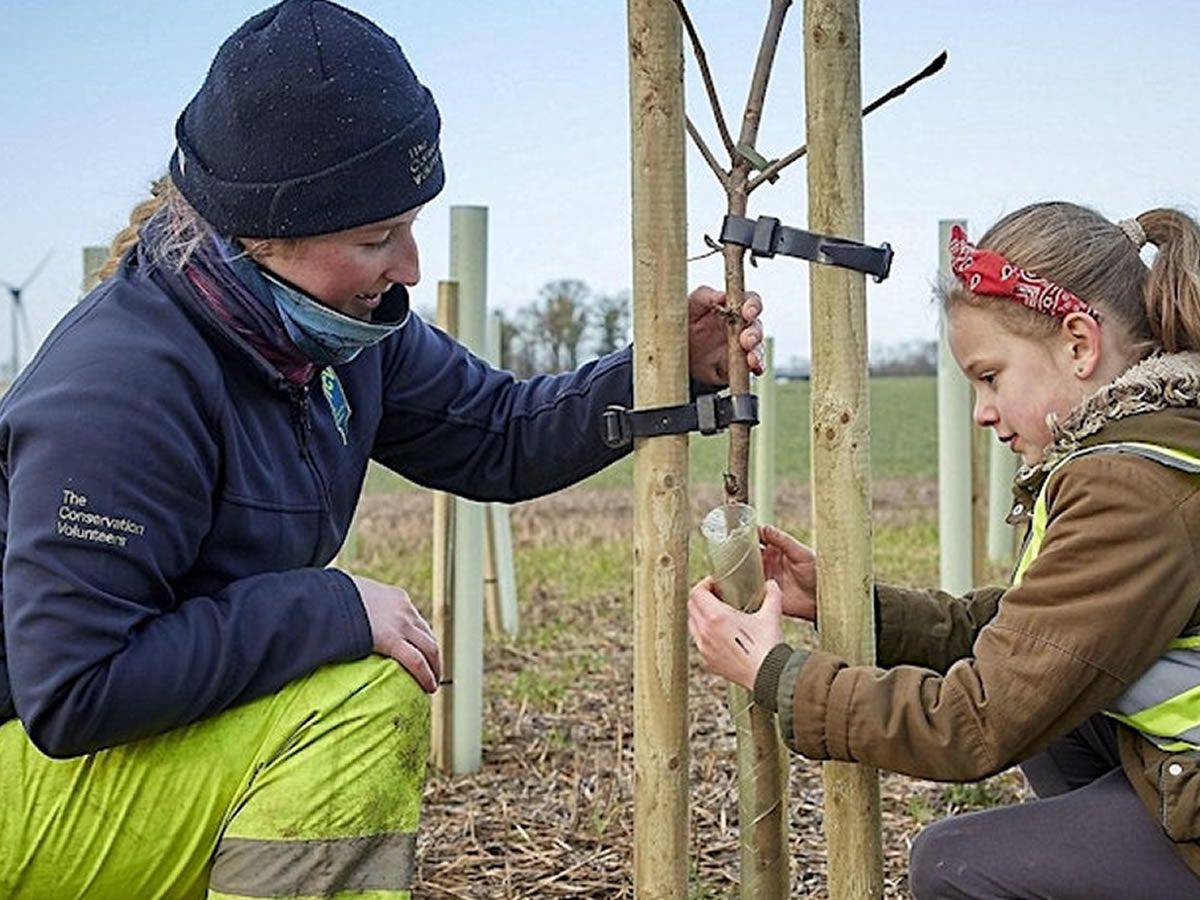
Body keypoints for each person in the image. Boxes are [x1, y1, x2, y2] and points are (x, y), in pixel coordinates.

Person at [0, 2, 764, 898]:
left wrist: (660, 369)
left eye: (408, 224)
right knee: (361, 701)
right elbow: (76, 687)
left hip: (134, 750)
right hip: (34, 765)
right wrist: (328, 607)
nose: (407, 264)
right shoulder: (124, 387)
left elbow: (501, 435)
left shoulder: (333, 335)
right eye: (374, 239)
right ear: (263, 237)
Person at [689, 200, 1200, 898]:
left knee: (955, 865)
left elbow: (975, 720)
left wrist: (774, 673)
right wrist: (853, 606)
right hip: (1177, 769)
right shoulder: (1157, 440)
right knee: (1054, 708)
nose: (982, 412)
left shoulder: (1128, 485)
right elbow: (1029, 635)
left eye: (990, 377)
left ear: (1080, 343)